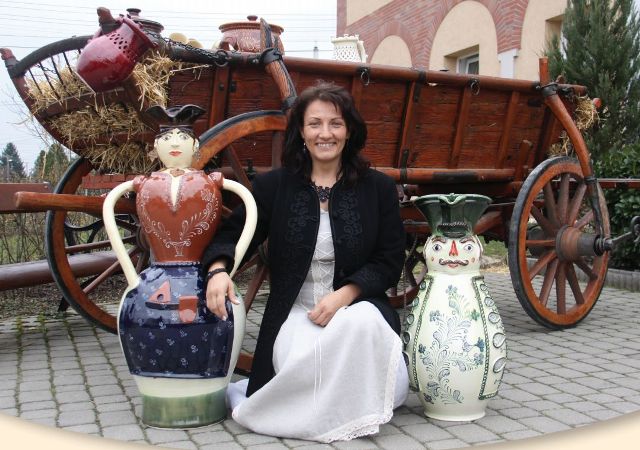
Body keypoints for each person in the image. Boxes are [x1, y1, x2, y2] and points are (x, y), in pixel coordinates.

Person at [202, 82, 409, 442]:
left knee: (360, 322)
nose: (325, 134)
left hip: (357, 312)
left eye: (335, 123)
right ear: (301, 131)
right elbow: (234, 235)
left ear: (349, 131)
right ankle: (336, 410)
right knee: (305, 363)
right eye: (315, 124)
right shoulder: (274, 187)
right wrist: (218, 269)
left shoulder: (377, 188)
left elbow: (390, 259)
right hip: (297, 315)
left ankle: (342, 408)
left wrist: (345, 295)